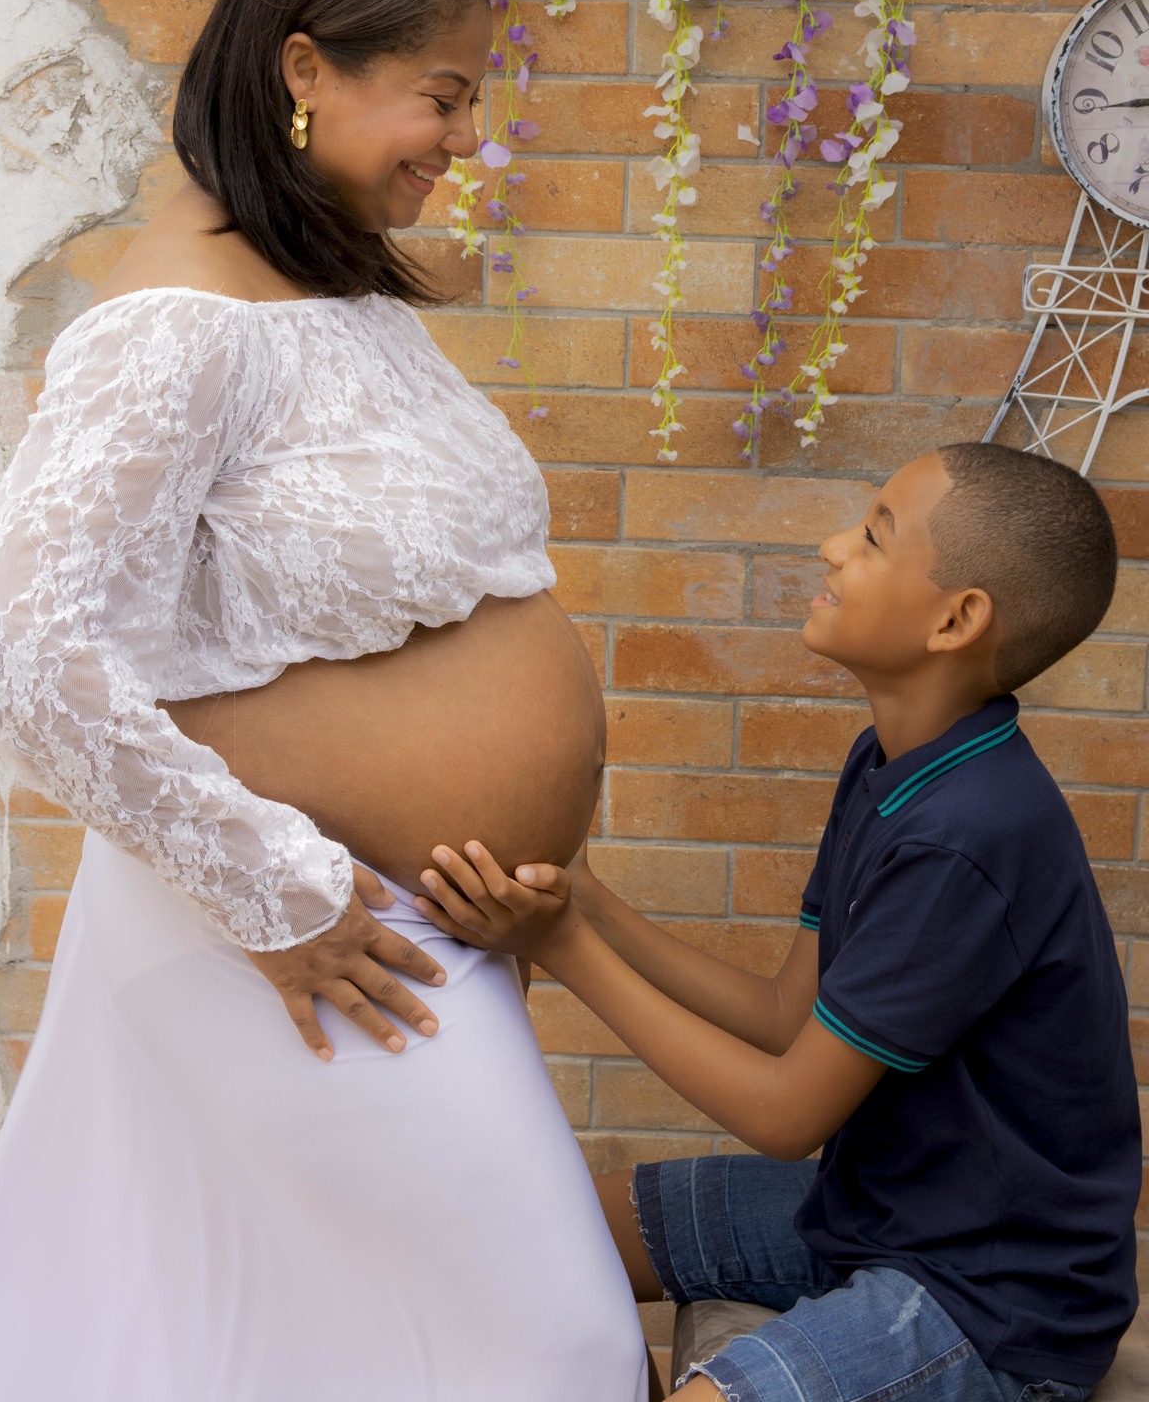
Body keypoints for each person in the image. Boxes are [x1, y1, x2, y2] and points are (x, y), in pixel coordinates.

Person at [0, 0, 647, 1400]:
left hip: (390, 928)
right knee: (562, 1352)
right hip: (287, 931)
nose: (465, 140)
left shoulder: (336, 294)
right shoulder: (176, 325)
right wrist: (281, 898)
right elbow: (24, 648)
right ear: (305, 70)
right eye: (442, 98)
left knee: (300, 1347)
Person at [417, 443, 1141, 1401]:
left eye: (875, 537)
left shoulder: (969, 835)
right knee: (534, 1241)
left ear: (957, 620)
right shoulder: (887, 764)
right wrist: (587, 901)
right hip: (877, 1209)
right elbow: (782, 1014)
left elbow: (785, 1114)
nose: (833, 546)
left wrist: (562, 946)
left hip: (991, 1297)